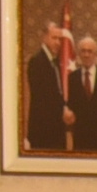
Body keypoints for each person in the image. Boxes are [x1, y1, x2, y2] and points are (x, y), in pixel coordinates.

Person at [22, 16, 72, 156]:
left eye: (60, 39)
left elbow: (58, 92)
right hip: (43, 130)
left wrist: (65, 108)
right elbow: (42, 98)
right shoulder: (37, 61)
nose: (57, 42)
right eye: (54, 38)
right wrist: (62, 111)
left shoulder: (54, 62)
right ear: (44, 38)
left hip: (56, 130)